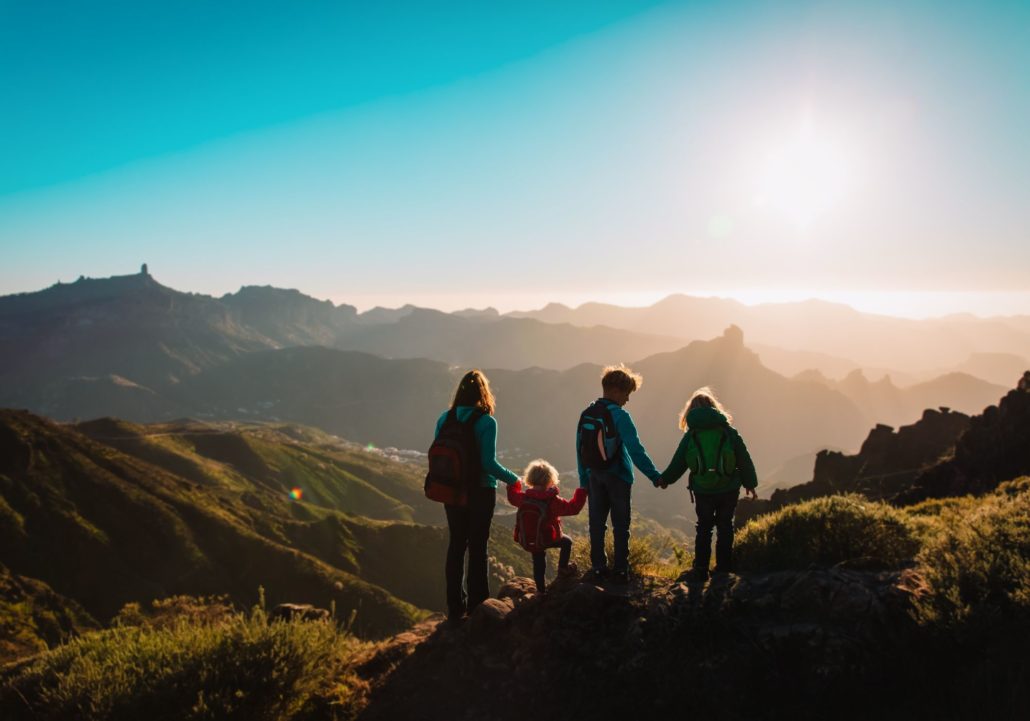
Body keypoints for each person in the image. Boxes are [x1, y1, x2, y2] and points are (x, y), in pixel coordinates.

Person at [435, 370, 519, 622]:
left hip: (451, 491)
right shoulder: (486, 422)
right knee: (478, 547)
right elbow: (488, 463)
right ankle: (477, 606)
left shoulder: (445, 418)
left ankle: (454, 607)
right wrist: (513, 478)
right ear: (484, 393)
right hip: (480, 492)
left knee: (456, 545)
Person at [658, 387, 758, 581]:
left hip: (703, 489)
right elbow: (743, 458)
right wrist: (750, 483)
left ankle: (701, 569)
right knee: (725, 526)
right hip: (728, 488)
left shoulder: (692, 435)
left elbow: (679, 462)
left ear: (691, 411)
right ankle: (723, 569)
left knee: (704, 527)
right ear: (714, 408)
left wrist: (665, 479)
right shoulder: (728, 431)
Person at [576, 364, 663, 584]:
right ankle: (621, 570)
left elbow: (580, 449)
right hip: (619, 476)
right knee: (621, 525)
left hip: (594, 475)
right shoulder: (621, 416)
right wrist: (654, 475)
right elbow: (636, 450)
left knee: (596, 523)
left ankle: (597, 568)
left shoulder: (587, 413)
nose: (627, 399)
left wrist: (584, 480)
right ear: (616, 390)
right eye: (627, 394)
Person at [507, 459, 588, 593]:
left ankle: (540, 590)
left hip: (530, 539)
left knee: (538, 562)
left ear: (530, 478)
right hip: (549, 538)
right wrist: (582, 491)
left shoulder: (524, 498)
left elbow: (512, 497)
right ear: (550, 479)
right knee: (567, 542)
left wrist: (514, 484)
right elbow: (573, 508)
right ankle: (563, 569)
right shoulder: (552, 501)